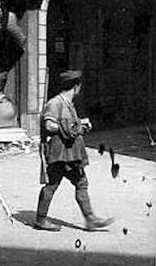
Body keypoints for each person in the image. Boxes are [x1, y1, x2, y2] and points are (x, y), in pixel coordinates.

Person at [35, 70, 114, 231]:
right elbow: (49, 125)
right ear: (76, 86)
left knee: (80, 182)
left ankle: (89, 219)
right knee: (53, 185)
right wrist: (73, 128)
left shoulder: (68, 103)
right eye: (79, 85)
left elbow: (70, 127)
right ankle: (41, 220)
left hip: (71, 153)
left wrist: (80, 126)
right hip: (60, 154)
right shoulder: (55, 103)